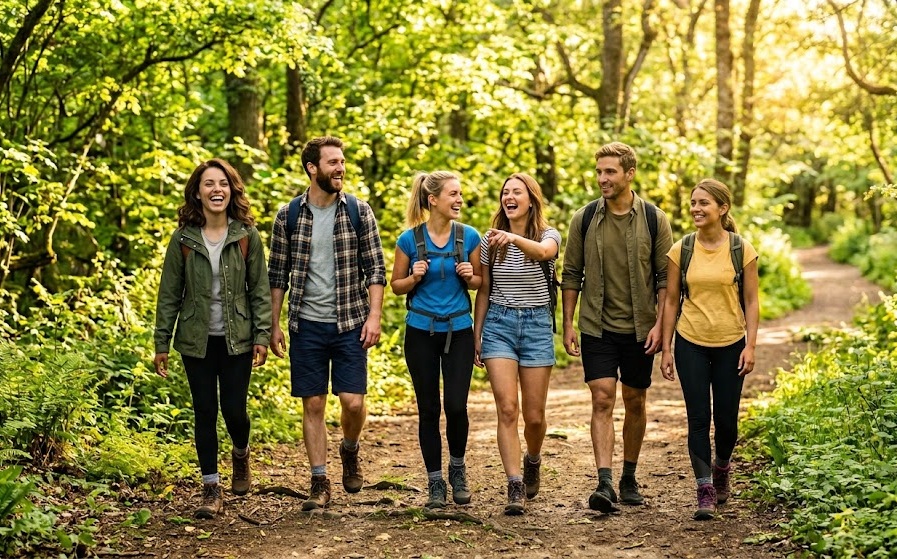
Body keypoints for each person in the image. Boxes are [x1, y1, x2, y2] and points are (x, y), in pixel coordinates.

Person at [267, 136, 386, 511]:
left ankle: (349, 449)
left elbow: (376, 269)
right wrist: (273, 324)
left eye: (342, 162)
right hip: (306, 325)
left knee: (352, 403)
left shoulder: (357, 211)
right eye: (333, 162)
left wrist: (374, 316)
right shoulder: (288, 216)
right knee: (313, 404)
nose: (341, 168)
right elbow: (277, 276)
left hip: (350, 321)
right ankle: (319, 481)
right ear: (312, 168)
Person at [153, 158, 272, 519]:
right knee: (205, 411)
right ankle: (210, 489)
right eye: (209, 184)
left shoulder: (246, 235)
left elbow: (260, 292)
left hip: (237, 338)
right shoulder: (183, 238)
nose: (216, 189)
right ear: (198, 192)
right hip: (196, 339)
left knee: (234, 411)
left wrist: (262, 335)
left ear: (232, 190)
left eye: (223, 183)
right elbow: (169, 293)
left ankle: (240, 453)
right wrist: (161, 342)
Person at [561, 141, 673, 513]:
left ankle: (629, 475)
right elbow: (571, 274)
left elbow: (664, 280)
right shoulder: (585, 218)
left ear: (629, 174)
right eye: (599, 172)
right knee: (602, 397)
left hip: (641, 328)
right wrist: (568, 324)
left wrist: (661, 326)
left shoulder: (655, 220)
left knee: (635, 400)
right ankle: (604, 481)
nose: (602, 179)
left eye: (610, 172)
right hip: (597, 325)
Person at [660, 178, 759, 521]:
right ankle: (704, 490)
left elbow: (751, 300)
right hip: (691, 343)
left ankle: (721, 468)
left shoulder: (740, 249)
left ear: (722, 208)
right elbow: (671, 300)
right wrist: (667, 348)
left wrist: (751, 344)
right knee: (699, 419)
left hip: (731, 344)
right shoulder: (682, 249)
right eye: (693, 203)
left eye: (704, 203)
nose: (696, 209)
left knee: (727, 423)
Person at [390, 171, 482, 509]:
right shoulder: (409, 240)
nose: (459, 200)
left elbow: (479, 283)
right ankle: (434, 482)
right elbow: (395, 285)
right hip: (420, 333)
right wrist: (413, 277)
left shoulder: (468, 237)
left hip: (458, 331)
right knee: (428, 409)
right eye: (453, 194)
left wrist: (472, 276)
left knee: (456, 406)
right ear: (433, 200)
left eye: (460, 194)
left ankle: (457, 470)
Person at [474, 173, 561, 516]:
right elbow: (484, 289)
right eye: (505, 192)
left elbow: (543, 253)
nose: (509, 197)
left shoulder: (547, 234)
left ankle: (532, 459)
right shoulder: (490, 240)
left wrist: (511, 237)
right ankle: (514, 485)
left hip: (537, 325)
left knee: (535, 417)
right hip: (499, 325)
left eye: (517, 192)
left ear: (531, 200)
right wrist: (477, 334)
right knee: (507, 408)